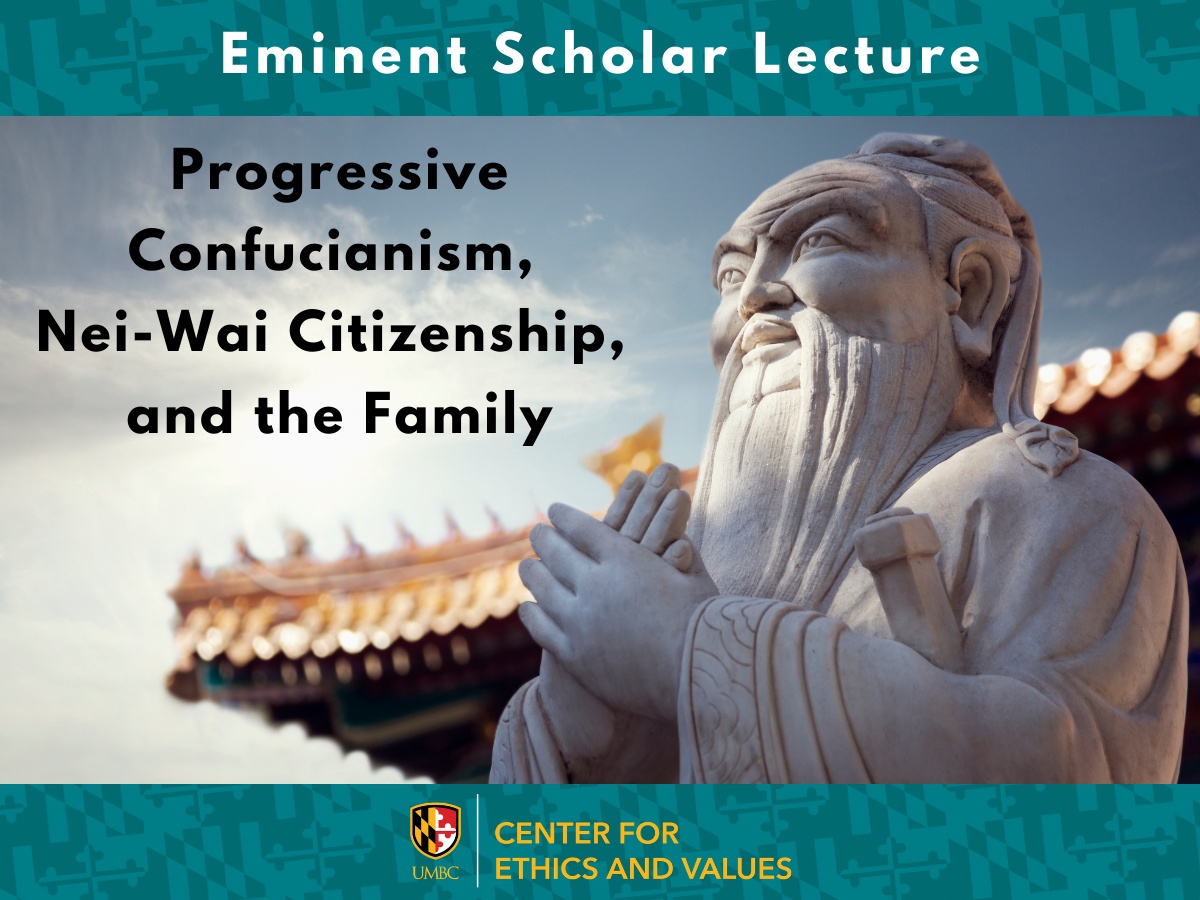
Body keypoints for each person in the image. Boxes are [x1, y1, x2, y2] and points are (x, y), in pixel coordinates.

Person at [490, 134, 1188, 784]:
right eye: (732, 274)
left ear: (970, 292)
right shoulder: (701, 553)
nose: (753, 297)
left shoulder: (1060, 501)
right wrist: (595, 733)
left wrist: (689, 648)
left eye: (820, 241)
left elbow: (1068, 782)